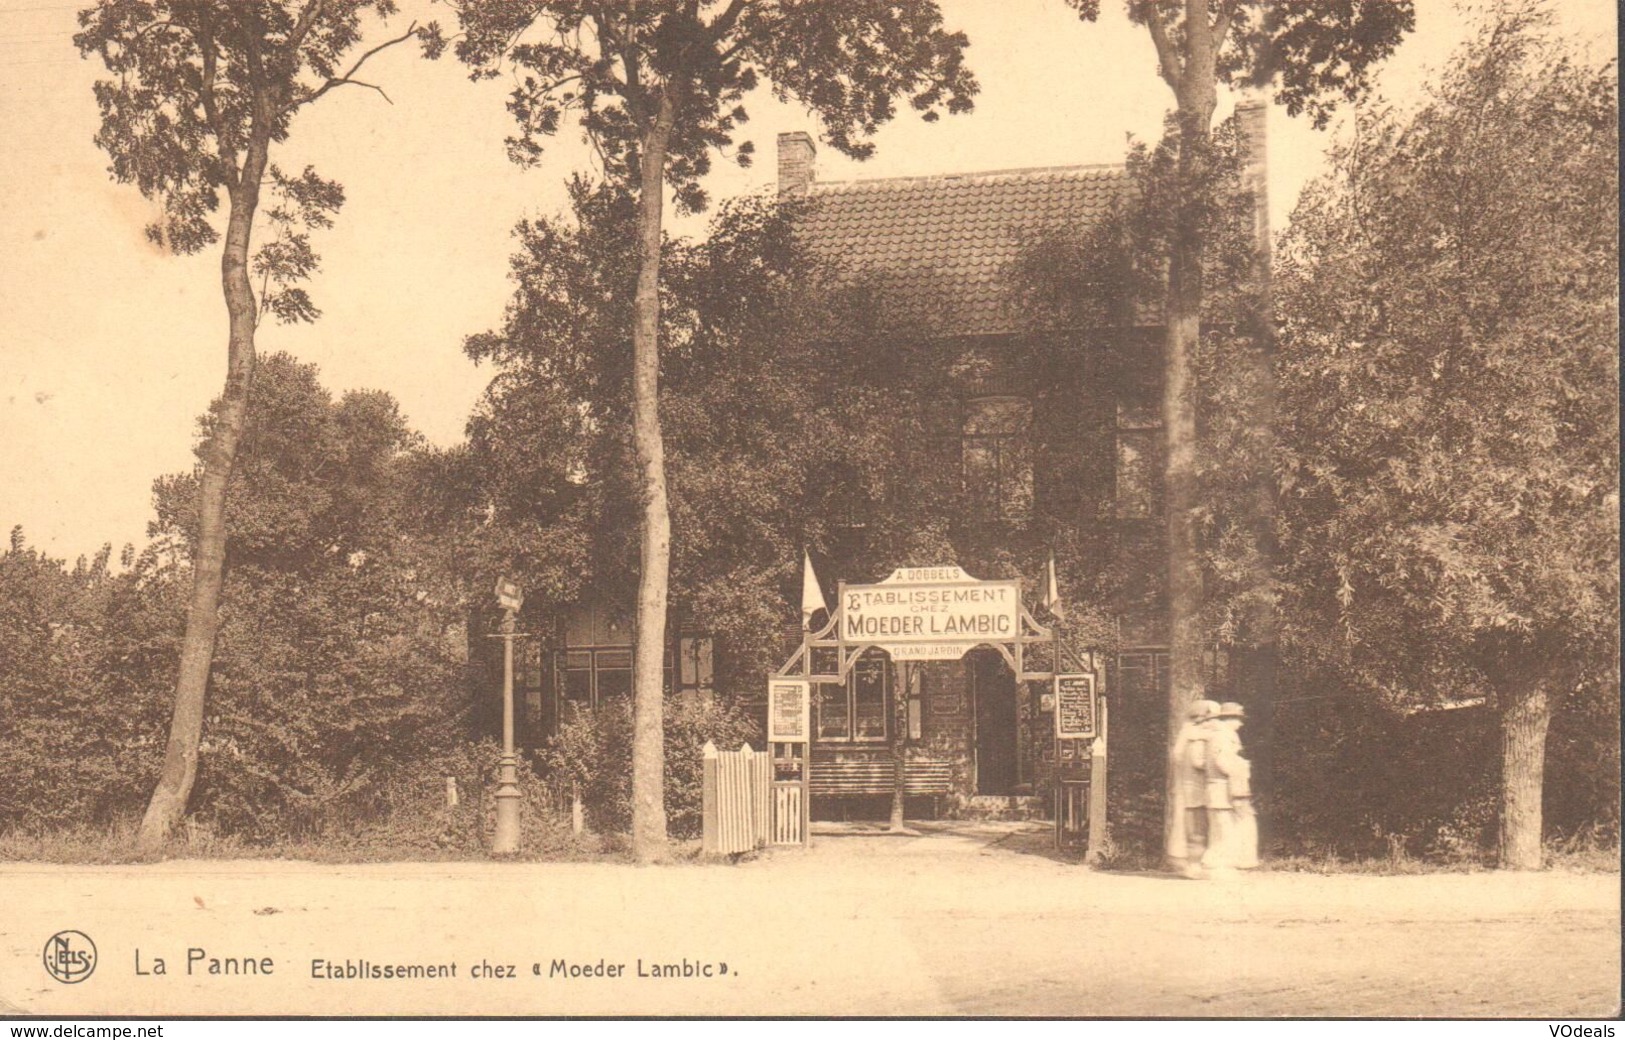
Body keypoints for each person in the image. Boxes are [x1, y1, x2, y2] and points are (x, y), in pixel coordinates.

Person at [1202, 701, 1258, 872]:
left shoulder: (1220, 735)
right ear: (1229, 719)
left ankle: (1223, 864)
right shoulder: (1223, 736)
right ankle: (1214, 866)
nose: (1241, 723)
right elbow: (1223, 762)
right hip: (1222, 789)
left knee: (1226, 829)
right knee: (1224, 830)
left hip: (1224, 788)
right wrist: (1241, 767)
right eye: (1238, 719)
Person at [1168, 697, 1219, 878]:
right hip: (1195, 788)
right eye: (1211, 719)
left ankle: (1196, 863)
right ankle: (1193, 865)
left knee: (1197, 825)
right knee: (1197, 826)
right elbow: (1199, 762)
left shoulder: (1188, 734)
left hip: (1192, 787)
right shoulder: (1195, 737)